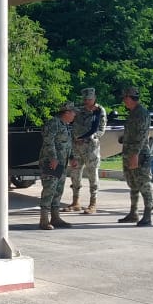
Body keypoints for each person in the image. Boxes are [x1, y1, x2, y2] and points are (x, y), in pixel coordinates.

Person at [66, 88, 107, 214]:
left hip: (90, 148)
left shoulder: (99, 111)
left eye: (89, 99)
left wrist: (91, 137)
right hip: (76, 148)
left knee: (92, 175)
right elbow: (68, 114)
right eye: (85, 99)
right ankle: (75, 202)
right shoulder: (79, 110)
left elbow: (101, 129)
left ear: (94, 98)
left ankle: (93, 203)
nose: (87, 101)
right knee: (75, 175)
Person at [38, 102, 77, 230]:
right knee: (49, 190)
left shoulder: (65, 125)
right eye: (73, 112)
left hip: (62, 163)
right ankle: (44, 220)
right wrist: (53, 158)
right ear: (66, 112)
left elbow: (67, 144)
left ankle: (55, 217)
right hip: (51, 163)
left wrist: (72, 157)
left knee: (58, 190)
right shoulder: (53, 123)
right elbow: (48, 141)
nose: (74, 115)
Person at [119, 86, 153, 226]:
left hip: (139, 154)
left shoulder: (142, 113)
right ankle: (133, 213)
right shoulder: (133, 112)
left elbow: (141, 135)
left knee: (143, 183)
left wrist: (135, 154)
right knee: (133, 184)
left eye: (125, 98)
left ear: (130, 98)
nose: (124, 101)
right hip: (130, 153)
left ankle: (147, 216)